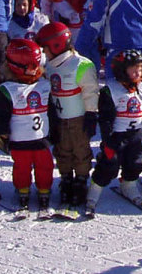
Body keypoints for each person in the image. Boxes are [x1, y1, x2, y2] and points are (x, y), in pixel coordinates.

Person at [38, 22, 99, 211]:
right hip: (59, 117)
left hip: (78, 118)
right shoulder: (49, 65)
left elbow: (90, 91)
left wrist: (91, 113)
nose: (44, 53)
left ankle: (81, 180)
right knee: (62, 150)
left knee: (80, 151)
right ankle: (66, 179)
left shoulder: (80, 64)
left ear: (56, 45)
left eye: (45, 48)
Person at [0, 39, 55, 216]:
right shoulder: (8, 89)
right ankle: (23, 190)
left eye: (37, 65)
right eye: (30, 66)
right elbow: (0, 116)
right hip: (20, 140)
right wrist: (3, 134)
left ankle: (44, 191)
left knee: (45, 166)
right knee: (22, 167)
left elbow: (52, 111)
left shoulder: (44, 85)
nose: (35, 69)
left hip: (41, 138)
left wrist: (55, 131)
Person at [89, 49, 142, 212]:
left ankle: (128, 185)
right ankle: (94, 190)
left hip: (135, 135)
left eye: (140, 68)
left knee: (136, 162)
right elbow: (105, 119)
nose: (138, 72)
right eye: (133, 69)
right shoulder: (111, 91)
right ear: (122, 71)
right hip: (117, 135)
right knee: (109, 164)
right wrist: (108, 142)